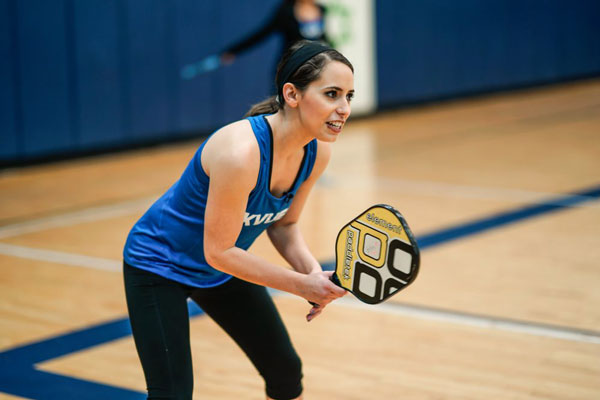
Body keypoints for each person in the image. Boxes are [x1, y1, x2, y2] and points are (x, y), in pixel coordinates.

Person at [123, 40, 354, 399]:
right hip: (159, 265)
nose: (344, 108)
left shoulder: (317, 152)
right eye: (332, 94)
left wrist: (311, 273)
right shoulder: (240, 153)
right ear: (292, 94)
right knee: (171, 394)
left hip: (219, 268)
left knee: (285, 372)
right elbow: (220, 251)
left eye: (349, 96)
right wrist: (300, 285)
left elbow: (284, 225)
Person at [221, 0, 330, 66]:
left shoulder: (322, 10)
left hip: (315, 67)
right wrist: (234, 51)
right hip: (291, 66)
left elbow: (325, 39)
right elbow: (261, 34)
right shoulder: (286, 11)